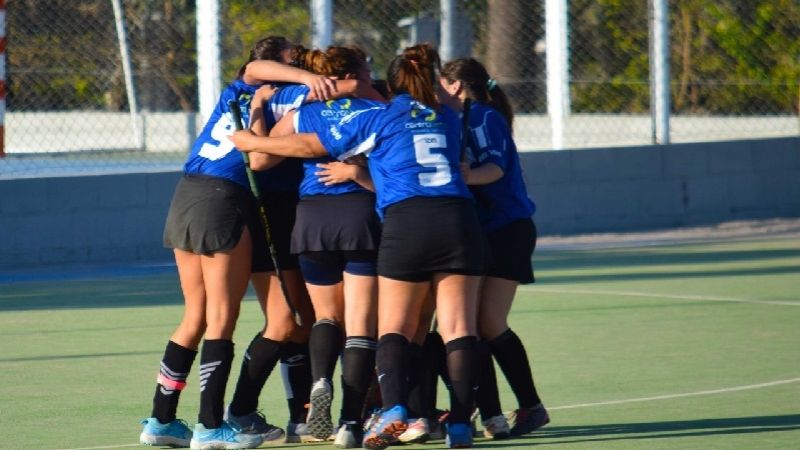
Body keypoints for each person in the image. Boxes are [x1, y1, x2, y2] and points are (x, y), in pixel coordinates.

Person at [229, 43, 485, 450]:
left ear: (391, 83)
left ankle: (391, 409)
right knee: (457, 328)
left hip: (398, 221)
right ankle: (457, 425)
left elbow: (309, 146)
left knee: (388, 326)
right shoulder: (448, 116)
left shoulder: (378, 117)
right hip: (457, 219)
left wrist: (250, 141)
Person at [137, 35, 336, 450]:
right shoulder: (275, 92)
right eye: (291, 61)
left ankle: (161, 420)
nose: (297, 67)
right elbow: (259, 70)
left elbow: (255, 69)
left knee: (196, 317)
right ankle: (211, 426)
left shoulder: (240, 91)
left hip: (187, 193)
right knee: (221, 319)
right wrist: (306, 78)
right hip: (222, 199)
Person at [222, 44, 381, 445]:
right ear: (353, 75)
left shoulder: (300, 112)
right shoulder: (378, 111)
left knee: (325, 317)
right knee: (360, 325)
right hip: (359, 216)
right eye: (366, 72)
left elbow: (260, 160)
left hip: (311, 219)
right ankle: (350, 423)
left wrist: (252, 134)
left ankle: (319, 382)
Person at [439, 57, 550, 438]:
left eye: (440, 84)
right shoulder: (456, 117)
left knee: (488, 323)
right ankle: (487, 411)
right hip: (482, 230)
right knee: (468, 325)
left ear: (455, 86)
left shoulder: (484, 117)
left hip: (506, 229)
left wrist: (461, 176)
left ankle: (531, 406)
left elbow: (495, 168)